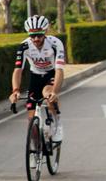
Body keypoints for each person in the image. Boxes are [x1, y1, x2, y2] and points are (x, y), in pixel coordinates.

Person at [9, 14, 65, 142]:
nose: (36, 39)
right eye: (32, 35)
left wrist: (55, 92)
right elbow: (18, 70)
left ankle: (57, 122)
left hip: (51, 74)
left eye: (39, 35)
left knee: (48, 94)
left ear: (45, 32)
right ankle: (36, 152)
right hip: (35, 76)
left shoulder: (55, 44)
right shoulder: (24, 46)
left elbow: (59, 70)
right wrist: (15, 90)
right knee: (31, 119)